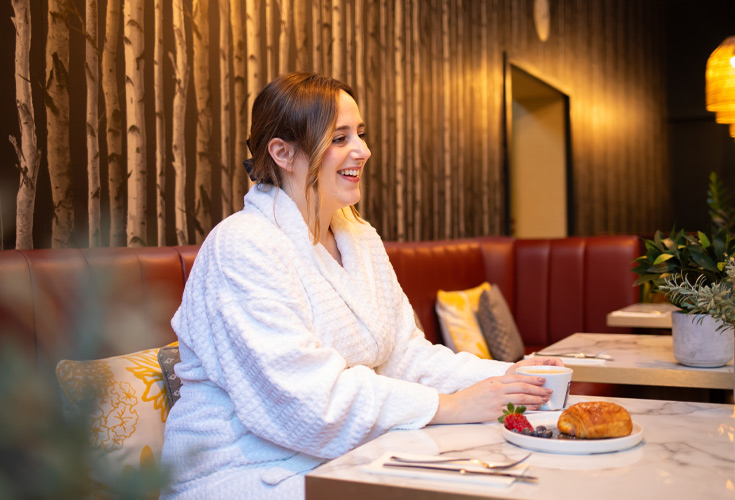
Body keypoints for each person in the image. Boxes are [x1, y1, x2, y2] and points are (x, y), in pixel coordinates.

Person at [160, 72, 562, 499]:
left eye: (361, 134)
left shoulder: (357, 236)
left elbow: (404, 356)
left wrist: (508, 377)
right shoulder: (243, 246)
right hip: (243, 472)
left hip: (342, 456)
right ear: (282, 152)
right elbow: (306, 402)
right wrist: (450, 407)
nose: (363, 150)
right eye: (339, 138)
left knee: (515, 470)